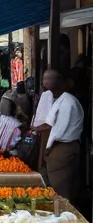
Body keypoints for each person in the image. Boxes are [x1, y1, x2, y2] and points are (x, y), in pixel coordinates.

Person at [33, 69, 83, 202]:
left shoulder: (67, 102)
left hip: (63, 147)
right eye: (44, 79)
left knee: (60, 188)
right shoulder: (59, 100)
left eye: (49, 79)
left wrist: (48, 148)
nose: (45, 82)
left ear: (61, 83)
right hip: (60, 146)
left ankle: (65, 215)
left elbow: (58, 129)